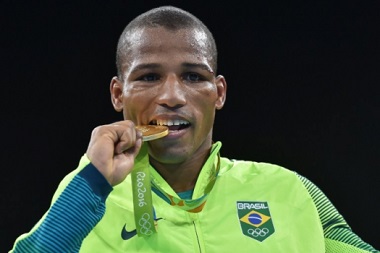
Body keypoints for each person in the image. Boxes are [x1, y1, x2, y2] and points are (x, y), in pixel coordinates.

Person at [9, 5, 379, 253]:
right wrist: (93, 182)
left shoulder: (290, 191)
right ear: (118, 94)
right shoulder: (85, 194)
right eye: (150, 76)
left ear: (217, 93)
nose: (172, 95)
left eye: (192, 76)